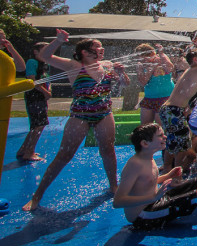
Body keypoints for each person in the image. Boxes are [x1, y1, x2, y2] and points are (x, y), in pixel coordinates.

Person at [23, 29, 130, 211]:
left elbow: (125, 83)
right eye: (98, 46)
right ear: (85, 52)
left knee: (108, 150)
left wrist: (121, 73)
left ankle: (114, 186)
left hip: (104, 113)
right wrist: (58, 41)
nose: (102, 49)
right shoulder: (74, 66)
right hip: (79, 115)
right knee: (65, 155)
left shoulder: (107, 65)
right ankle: (37, 196)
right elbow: (45, 55)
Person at [158, 45, 197, 174]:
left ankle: (167, 169)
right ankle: (176, 175)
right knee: (181, 145)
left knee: (173, 141)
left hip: (169, 110)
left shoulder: (191, 70)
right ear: (195, 60)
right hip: (174, 110)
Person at [16, 42, 51, 162]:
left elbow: (48, 79)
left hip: (41, 96)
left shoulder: (45, 64)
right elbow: (32, 80)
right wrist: (45, 92)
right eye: (44, 50)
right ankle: (29, 152)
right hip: (34, 96)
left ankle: (23, 150)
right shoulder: (32, 62)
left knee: (36, 125)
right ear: (36, 51)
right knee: (39, 125)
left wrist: (48, 90)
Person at [135, 43, 175, 126]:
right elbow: (143, 82)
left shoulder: (162, 59)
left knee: (161, 126)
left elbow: (170, 68)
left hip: (165, 98)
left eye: (145, 59)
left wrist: (162, 54)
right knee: (144, 127)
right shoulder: (140, 65)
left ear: (152, 54)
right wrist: (151, 68)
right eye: (141, 59)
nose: (144, 61)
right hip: (149, 98)